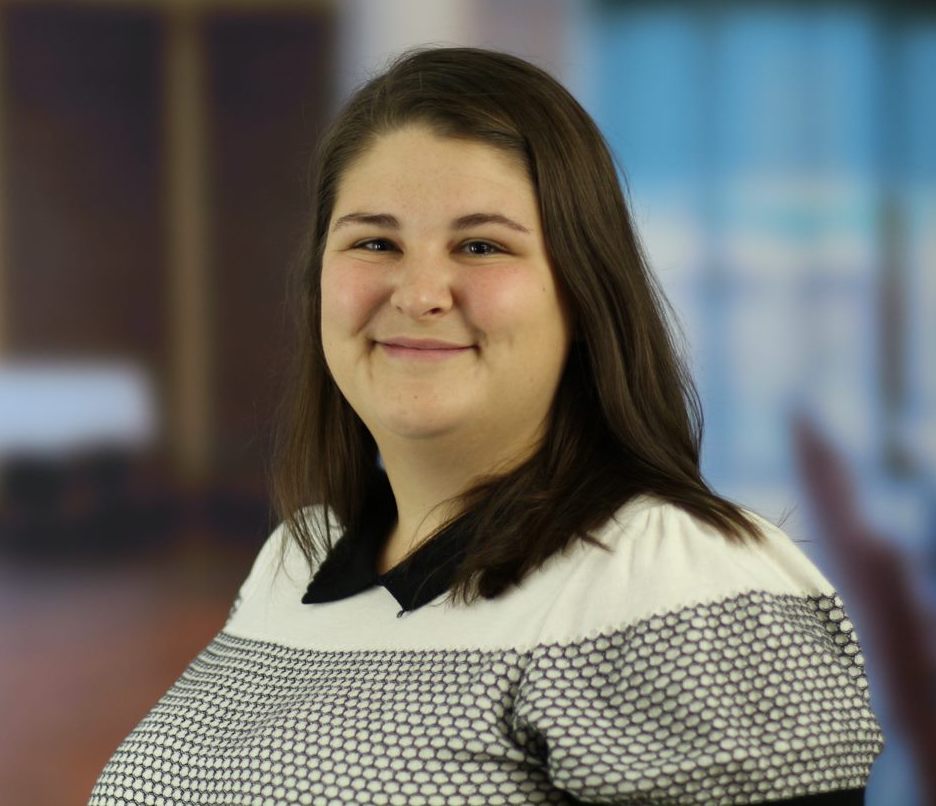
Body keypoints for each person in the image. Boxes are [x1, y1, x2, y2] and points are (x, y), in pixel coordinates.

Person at [89, 47, 884, 805]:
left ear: (584, 292)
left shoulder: (683, 582)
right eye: (374, 241)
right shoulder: (297, 560)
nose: (420, 291)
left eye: (481, 245)